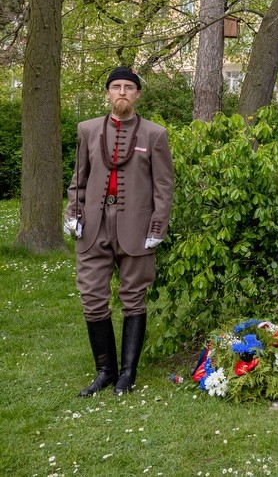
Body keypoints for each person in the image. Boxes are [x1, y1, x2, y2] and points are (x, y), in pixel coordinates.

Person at [65, 67, 174, 397]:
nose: (122, 92)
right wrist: (73, 213)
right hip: (93, 226)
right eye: (116, 87)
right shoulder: (87, 130)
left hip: (136, 227)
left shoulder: (155, 134)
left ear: (137, 94)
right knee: (92, 296)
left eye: (128, 87)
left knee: (133, 297)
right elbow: (78, 179)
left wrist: (158, 226)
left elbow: (164, 187)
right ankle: (105, 372)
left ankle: (127, 374)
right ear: (108, 93)